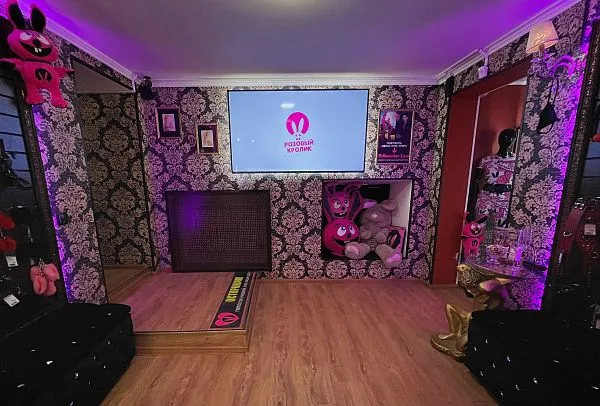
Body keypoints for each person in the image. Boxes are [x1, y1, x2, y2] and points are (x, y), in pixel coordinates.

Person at [474, 128, 517, 227]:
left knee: (501, 228)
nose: (506, 141)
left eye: (510, 139)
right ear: (498, 140)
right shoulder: (486, 160)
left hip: (505, 198)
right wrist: (472, 201)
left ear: (514, 141)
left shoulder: (516, 161)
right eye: (503, 138)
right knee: (479, 227)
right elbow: (475, 181)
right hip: (485, 196)